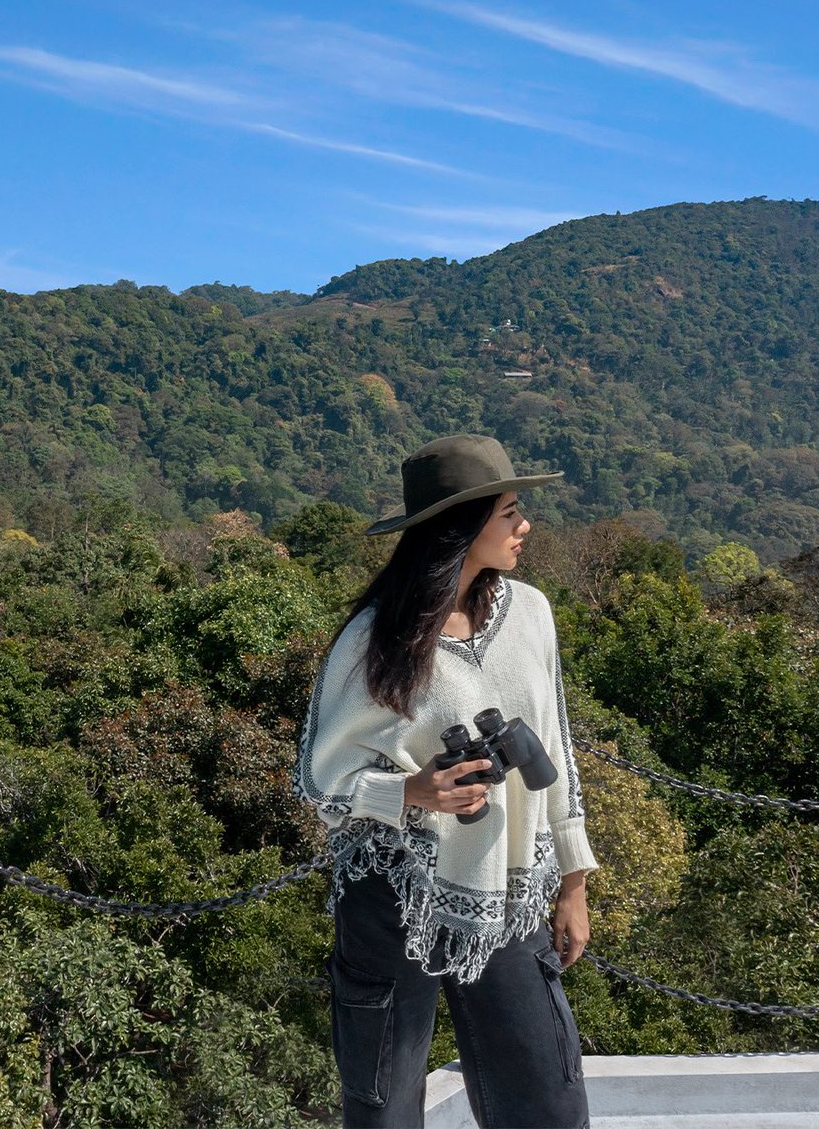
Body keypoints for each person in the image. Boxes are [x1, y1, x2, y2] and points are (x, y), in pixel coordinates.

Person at [293, 434, 597, 1129]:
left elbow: (558, 751)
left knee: (547, 1097)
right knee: (385, 1106)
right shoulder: (375, 639)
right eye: (509, 513)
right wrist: (411, 793)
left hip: (510, 894)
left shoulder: (531, 614)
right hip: (392, 895)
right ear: (458, 528)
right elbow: (316, 777)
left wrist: (574, 882)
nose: (525, 527)